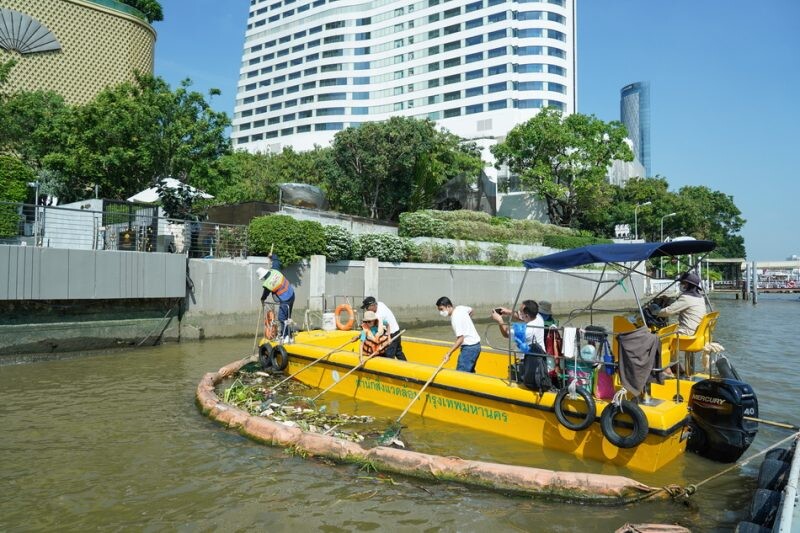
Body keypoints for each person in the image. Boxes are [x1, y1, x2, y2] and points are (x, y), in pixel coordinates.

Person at [435, 296, 481, 373]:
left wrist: (448, 353)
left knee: (460, 374)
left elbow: (460, 339)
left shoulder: (455, 318)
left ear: (448, 306)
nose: (441, 312)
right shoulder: (460, 308)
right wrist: (466, 323)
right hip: (477, 346)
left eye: (441, 309)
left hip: (469, 348)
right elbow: (471, 310)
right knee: (470, 372)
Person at [256, 253, 295, 340]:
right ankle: (288, 334)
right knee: (287, 316)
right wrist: (271, 256)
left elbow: (265, 295)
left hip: (285, 299)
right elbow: (276, 260)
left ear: (262, 277)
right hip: (292, 293)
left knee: (282, 317)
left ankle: (286, 336)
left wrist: (262, 300)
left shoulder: (267, 284)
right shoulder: (275, 270)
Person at [655, 271, 707, 335]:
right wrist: (668, 300)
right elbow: (681, 304)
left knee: (659, 335)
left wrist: (657, 312)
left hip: (688, 332)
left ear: (688, 285)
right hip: (698, 331)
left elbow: (668, 311)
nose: (682, 285)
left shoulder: (686, 297)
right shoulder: (700, 297)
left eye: (683, 283)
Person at [361, 296, 406, 361]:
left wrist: (388, 338)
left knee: (389, 355)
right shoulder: (380, 304)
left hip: (391, 333)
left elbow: (373, 330)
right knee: (398, 352)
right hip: (397, 330)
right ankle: (405, 366)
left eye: (367, 308)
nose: (366, 310)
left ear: (372, 305)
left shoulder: (379, 316)